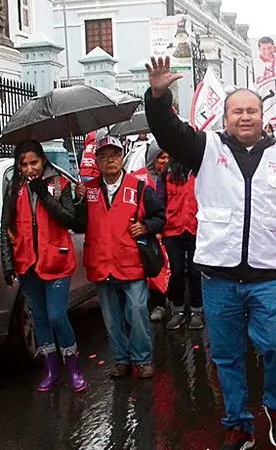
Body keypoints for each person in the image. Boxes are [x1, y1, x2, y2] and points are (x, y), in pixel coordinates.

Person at [144, 56, 276, 450]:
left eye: (251, 110)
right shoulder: (206, 148)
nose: (245, 116)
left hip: (268, 275)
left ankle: (275, 404)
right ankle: (238, 427)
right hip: (218, 278)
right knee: (227, 357)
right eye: (237, 110)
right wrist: (158, 95)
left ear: (261, 115)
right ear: (225, 116)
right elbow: (168, 132)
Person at [75, 135, 165, 379]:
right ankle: (121, 360)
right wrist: (77, 199)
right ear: (97, 162)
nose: (109, 161)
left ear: (121, 157)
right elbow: (77, 222)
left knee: (136, 311)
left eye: (114, 155)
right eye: (103, 157)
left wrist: (146, 227)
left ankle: (142, 359)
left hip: (131, 262)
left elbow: (160, 217)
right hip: (101, 264)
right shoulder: (89, 190)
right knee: (111, 318)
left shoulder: (139, 187)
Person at [0, 140, 87, 393]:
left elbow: (69, 220)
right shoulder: (13, 188)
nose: (29, 169)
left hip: (56, 260)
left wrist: (43, 195)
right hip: (27, 262)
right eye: (23, 164)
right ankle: (51, 370)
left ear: (43, 161)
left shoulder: (60, 184)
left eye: (34, 162)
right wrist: (8, 264)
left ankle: (73, 368)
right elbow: (7, 227)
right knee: (39, 318)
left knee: (57, 315)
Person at [157, 157, 203, 331]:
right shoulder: (166, 174)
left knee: (195, 271)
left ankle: (197, 310)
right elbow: (159, 201)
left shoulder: (199, 170)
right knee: (175, 272)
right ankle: (177, 310)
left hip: (196, 229)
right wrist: (159, 228)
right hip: (172, 230)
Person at [133, 141, 171, 322]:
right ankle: (156, 303)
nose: (165, 161)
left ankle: (165, 301)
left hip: (169, 231)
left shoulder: (173, 176)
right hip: (147, 233)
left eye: (167, 157)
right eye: (161, 157)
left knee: (166, 269)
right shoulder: (139, 179)